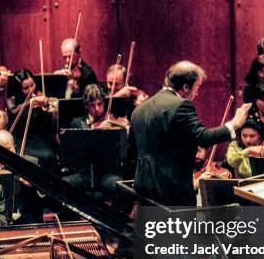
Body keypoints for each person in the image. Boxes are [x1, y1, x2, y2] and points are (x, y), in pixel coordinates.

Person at [131, 60, 251, 206]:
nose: (197, 93)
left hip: (143, 186)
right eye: (197, 87)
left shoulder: (139, 109)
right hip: (172, 189)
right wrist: (234, 123)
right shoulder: (180, 105)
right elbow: (203, 137)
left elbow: (130, 152)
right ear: (186, 87)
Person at [63, 84, 125, 201]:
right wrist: (97, 130)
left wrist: (124, 130)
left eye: (100, 104)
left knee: (122, 188)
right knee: (64, 184)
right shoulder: (76, 123)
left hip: (106, 174)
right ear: (86, 105)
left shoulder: (112, 121)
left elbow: (122, 152)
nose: (97, 109)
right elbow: (75, 153)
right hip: (84, 174)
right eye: (92, 105)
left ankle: (115, 218)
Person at [6, 68, 58, 171]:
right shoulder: (12, 99)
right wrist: (30, 103)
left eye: (32, 85)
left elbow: (47, 123)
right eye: (26, 88)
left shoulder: (38, 94)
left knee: (51, 155)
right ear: (18, 89)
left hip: (38, 137)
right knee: (41, 156)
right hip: (22, 138)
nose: (31, 90)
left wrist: (50, 110)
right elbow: (13, 111)